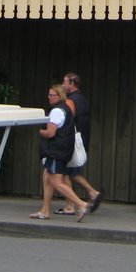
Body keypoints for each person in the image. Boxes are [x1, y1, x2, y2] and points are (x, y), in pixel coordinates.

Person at [30, 84, 90, 222]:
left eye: (52, 95)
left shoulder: (56, 111)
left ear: (59, 96)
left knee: (56, 181)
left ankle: (81, 204)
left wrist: (40, 130)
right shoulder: (66, 109)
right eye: (49, 94)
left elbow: (50, 133)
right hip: (61, 150)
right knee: (47, 178)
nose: (49, 97)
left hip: (56, 151)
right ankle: (44, 210)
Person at [57, 72, 103, 214]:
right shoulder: (81, 99)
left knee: (66, 172)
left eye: (65, 82)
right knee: (70, 172)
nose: (63, 85)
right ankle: (87, 196)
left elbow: (67, 120)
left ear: (72, 84)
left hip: (72, 140)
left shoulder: (71, 101)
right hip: (81, 139)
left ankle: (76, 202)